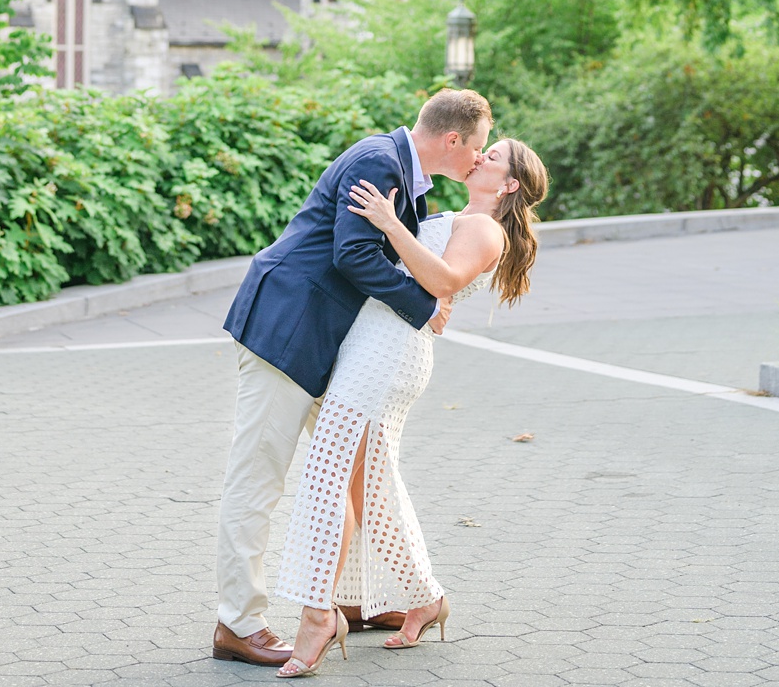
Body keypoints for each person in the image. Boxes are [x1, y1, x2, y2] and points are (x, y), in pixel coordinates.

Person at [208, 87, 494, 667]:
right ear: (453, 139)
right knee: (258, 480)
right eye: (479, 147)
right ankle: (237, 624)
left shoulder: (403, 176)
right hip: (286, 332)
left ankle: (352, 602)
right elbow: (353, 255)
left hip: (325, 346)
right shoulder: (378, 163)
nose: (478, 160)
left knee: (361, 472)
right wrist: (426, 306)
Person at [269, 136, 548, 675]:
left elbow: (442, 279)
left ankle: (316, 617)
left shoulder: (487, 230)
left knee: (327, 473)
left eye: (495, 156)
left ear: (509, 184)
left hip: (390, 354)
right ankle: (422, 597)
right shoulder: (458, 216)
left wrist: (389, 222)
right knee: (366, 485)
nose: (482, 155)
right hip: (373, 343)